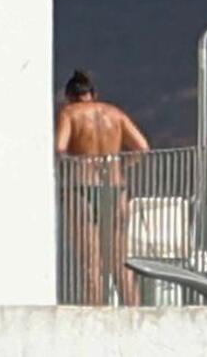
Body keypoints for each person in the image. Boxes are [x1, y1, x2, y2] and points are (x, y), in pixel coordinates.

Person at [56, 69, 150, 305]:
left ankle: (95, 318)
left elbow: (60, 148)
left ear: (69, 96)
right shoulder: (115, 114)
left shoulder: (69, 114)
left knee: (91, 263)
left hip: (81, 188)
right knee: (120, 262)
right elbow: (142, 148)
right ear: (93, 94)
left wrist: (76, 164)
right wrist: (120, 165)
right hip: (115, 187)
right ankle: (133, 316)